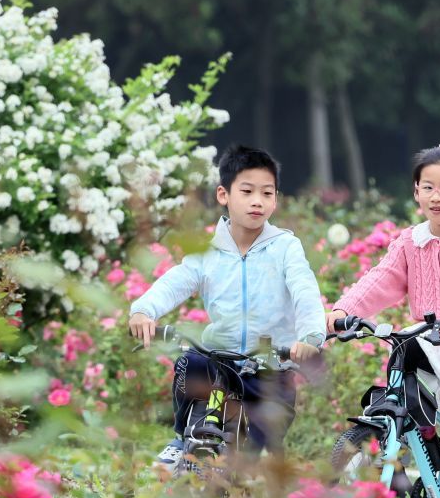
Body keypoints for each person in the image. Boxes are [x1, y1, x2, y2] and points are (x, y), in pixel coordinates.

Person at [128, 144, 326, 470]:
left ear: (275, 199)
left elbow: (304, 289)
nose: (257, 201)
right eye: (247, 191)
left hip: (270, 372)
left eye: (267, 193)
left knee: (242, 461)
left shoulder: (286, 248)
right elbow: (175, 281)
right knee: (193, 366)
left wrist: (311, 337)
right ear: (224, 194)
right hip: (220, 375)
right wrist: (143, 310)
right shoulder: (208, 253)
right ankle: (183, 439)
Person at [327, 144, 440, 481]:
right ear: (416, 192)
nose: (436, 197)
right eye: (427, 187)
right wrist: (344, 309)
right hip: (432, 339)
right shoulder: (410, 241)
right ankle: (410, 428)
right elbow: (382, 278)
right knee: (403, 350)